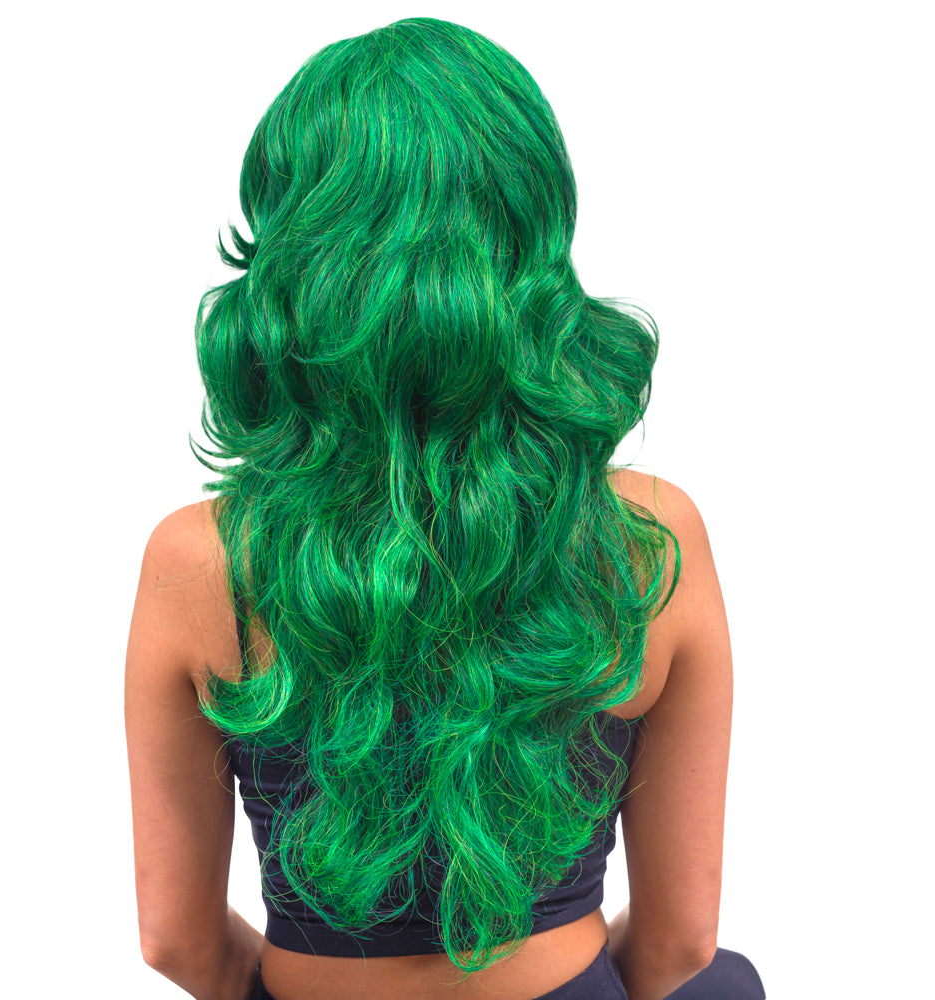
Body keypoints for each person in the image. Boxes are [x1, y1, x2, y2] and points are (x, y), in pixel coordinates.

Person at [125, 17, 766, 1000]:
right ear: (531, 240)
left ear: (293, 255)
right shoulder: (648, 539)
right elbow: (679, 943)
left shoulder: (199, 559)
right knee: (726, 982)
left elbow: (178, 943)